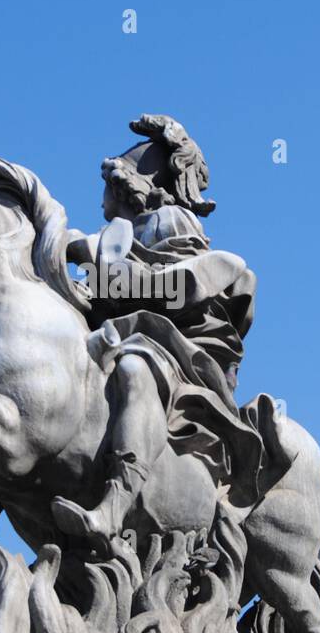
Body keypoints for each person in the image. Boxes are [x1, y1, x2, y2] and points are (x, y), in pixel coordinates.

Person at [51, 115, 278, 544]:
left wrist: (96, 265)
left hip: (174, 347)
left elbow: (168, 289)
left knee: (134, 370)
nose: (101, 197)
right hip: (122, 334)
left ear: (127, 187)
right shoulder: (115, 235)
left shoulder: (167, 222)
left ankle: (115, 506)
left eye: (108, 184)